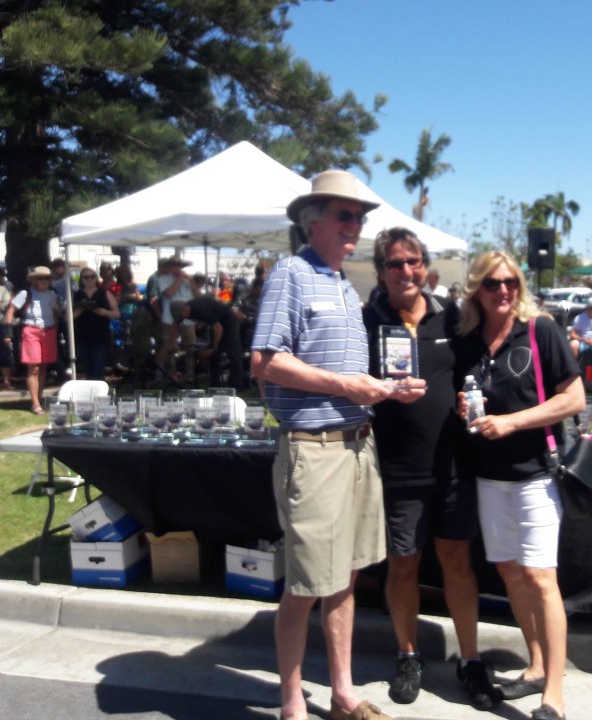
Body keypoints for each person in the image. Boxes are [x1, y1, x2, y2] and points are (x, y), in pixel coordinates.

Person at [250, 170, 425, 720]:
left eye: (361, 218)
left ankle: (343, 692)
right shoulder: (292, 275)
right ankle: (290, 704)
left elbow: (341, 369)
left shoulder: (345, 284)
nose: (357, 226)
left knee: (345, 577)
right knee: (307, 585)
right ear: (314, 221)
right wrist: (348, 386)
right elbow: (266, 362)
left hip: (356, 446)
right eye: (346, 216)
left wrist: (387, 388)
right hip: (315, 447)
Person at [361, 228, 498, 710]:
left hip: (452, 462)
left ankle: (471, 658)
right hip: (398, 467)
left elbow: (477, 367)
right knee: (403, 565)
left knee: (458, 561)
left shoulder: (454, 315)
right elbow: (352, 386)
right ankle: (408, 655)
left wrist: (471, 396)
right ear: (381, 271)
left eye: (414, 262)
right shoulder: (367, 321)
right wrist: (376, 390)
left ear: (426, 266)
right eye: (395, 264)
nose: (406, 272)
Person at [457, 250, 585, 720]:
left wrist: (513, 423)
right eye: (492, 284)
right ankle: (534, 664)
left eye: (510, 282)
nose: (503, 290)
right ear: (477, 289)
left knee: (540, 578)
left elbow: (573, 398)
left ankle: (554, 694)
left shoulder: (540, 330)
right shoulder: (469, 339)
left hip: (534, 475)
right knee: (510, 572)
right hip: (489, 477)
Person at [5, 266, 63, 414]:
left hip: (48, 331)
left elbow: (57, 312)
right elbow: (11, 310)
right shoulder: (26, 293)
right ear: (34, 280)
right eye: (40, 278)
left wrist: (55, 328)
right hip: (31, 330)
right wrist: (7, 332)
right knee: (34, 368)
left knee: (43, 367)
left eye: (46, 278)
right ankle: (35, 403)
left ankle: (39, 398)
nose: (43, 281)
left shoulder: (52, 294)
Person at [170, 295, 245, 391]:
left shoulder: (200, 309)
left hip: (228, 322)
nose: (183, 318)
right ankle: (214, 386)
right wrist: (173, 342)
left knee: (233, 354)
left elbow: (219, 328)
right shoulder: (185, 310)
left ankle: (238, 386)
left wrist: (214, 348)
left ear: (185, 308)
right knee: (213, 357)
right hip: (216, 324)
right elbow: (175, 325)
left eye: (182, 315)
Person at [155, 256, 199, 382]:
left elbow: (198, 296)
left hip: (187, 319)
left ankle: (189, 375)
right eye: (174, 265)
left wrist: (191, 281)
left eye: (179, 266)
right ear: (169, 267)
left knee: (190, 346)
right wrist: (179, 278)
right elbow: (169, 293)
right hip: (170, 319)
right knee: (170, 347)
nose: (177, 268)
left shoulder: (188, 280)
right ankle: (172, 375)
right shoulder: (163, 279)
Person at [73, 267, 120, 380]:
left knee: (98, 368)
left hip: (100, 336)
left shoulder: (105, 293)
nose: (89, 280)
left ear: (96, 278)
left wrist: (104, 312)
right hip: (82, 336)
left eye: (92, 277)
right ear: (82, 280)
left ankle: (99, 395)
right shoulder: (76, 295)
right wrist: (80, 310)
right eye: (86, 277)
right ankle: (90, 394)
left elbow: (117, 314)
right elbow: (67, 317)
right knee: (88, 368)